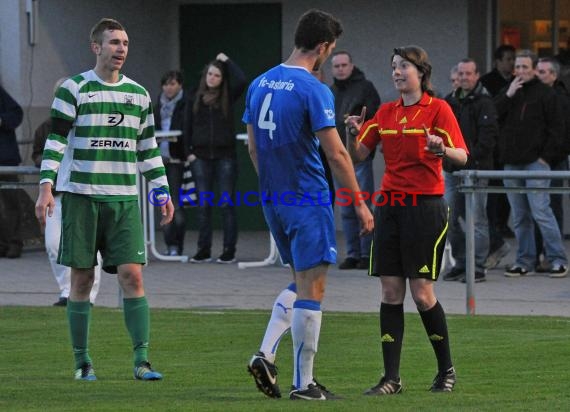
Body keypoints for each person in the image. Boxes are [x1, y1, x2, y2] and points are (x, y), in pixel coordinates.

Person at [243, 9, 373, 401]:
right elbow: (336, 154)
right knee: (313, 288)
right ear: (323, 47)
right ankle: (304, 384)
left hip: (274, 199)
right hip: (307, 198)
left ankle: (266, 353)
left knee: (301, 281)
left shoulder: (260, 82)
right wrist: (361, 204)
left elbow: (252, 146)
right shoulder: (314, 89)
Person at [35, 18, 174, 381]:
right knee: (81, 280)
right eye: (114, 42)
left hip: (124, 200)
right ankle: (82, 363)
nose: (121, 49)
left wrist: (162, 191)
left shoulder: (140, 95)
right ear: (96, 47)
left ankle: (142, 362)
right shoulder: (73, 89)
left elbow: (148, 150)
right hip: (81, 197)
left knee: (133, 277)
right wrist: (46, 187)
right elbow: (56, 142)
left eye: (125, 43)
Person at [345, 45, 468, 395]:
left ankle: (446, 370)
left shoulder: (438, 109)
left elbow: (462, 155)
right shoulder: (384, 112)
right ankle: (391, 379)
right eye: (394, 66)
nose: (397, 72)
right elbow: (360, 155)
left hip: (425, 208)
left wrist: (441, 150)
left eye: (404, 66)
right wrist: (353, 132)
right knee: (390, 290)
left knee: (422, 293)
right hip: (390, 206)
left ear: (421, 72)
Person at [495, 49, 568, 278]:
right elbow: (492, 115)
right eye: (517, 67)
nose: (520, 71)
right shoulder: (509, 92)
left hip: (536, 163)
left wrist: (544, 157)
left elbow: (558, 129)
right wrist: (508, 94)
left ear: (535, 70)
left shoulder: (548, 94)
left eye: (525, 67)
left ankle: (557, 259)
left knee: (541, 212)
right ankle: (524, 260)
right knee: (519, 216)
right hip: (511, 164)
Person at [31, 78, 101, 306]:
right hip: (57, 194)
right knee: (53, 244)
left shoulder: (89, 124)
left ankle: (88, 295)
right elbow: (37, 156)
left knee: (89, 246)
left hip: (83, 192)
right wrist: (52, 165)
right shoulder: (46, 126)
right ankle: (66, 290)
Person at [185, 53, 247, 264]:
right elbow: (187, 126)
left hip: (225, 157)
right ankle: (203, 250)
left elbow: (242, 80)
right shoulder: (194, 96)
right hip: (200, 156)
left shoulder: (228, 95)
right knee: (203, 205)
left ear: (222, 79)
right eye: (210, 74)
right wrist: (189, 153)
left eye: (217, 75)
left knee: (226, 203)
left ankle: (228, 250)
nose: (212, 78)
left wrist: (227, 61)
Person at [443, 58, 498, 283]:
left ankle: (477, 266)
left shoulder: (485, 102)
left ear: (477, 76)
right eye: (461, 74)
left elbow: (488, 138)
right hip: (451, 170)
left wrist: (467, 158)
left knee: (477, 220)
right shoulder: (449, 102)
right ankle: (460, 263)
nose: (465, 78)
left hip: (475, 170)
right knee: (449, 219)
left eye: (469, 74)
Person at [330, 50, 380, 270]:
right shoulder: (331, 92)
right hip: (339, 157)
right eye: (336, 66)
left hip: (359, 157)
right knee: (346, 208)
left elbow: (375, 118)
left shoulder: (365, 88)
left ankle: (367, 254)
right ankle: (352, 254)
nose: (340, 69)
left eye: (344, 65)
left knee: (364, 205)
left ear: (351, 66)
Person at [481, 44, 516, 269]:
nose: (511, 64)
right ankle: (496, 231)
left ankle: (501, 226)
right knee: (492, 194)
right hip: (493, 146)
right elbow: (491, 111)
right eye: (508, 59)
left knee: (506, 192)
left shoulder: (517, 82)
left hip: (511, 146)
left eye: (514, 60)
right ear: (497, 61)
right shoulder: (488, 83)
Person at [155, 70, 188, 256]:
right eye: (166, 84)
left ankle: (178, 245)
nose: (169, 88)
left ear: (180, 85)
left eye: (173, 84)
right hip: (160, 160)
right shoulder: (156, 106)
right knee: (163, 202)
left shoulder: (186, 104)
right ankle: (170, 246)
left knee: (176, 202)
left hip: (177, 159)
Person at [0, 84, 24, 258]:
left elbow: (17, 114)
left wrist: (1, 121)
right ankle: (2, 244)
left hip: (5, 158)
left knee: (11, 203)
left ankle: (14, 243)